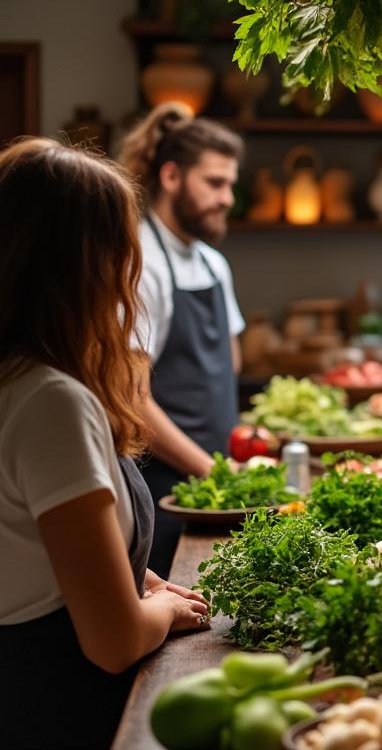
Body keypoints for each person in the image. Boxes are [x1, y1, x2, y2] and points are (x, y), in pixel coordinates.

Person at [0, 138, 211, 748]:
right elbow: (115, 643)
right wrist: (166, 611)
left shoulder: (19, 379)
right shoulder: (51, 403)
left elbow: (30, 551)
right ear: (88, 265)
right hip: (56, 710)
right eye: (124, 249)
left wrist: (133, 578)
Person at [118, 103, 245, 578]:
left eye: (231, 184)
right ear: (171, 177)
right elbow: (132, 397)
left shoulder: (213, 262)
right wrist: (214, 472)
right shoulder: (141, 262)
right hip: (166, 492)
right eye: (215, 183)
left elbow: (227, 365)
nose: (228, 197)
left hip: (216, 485)